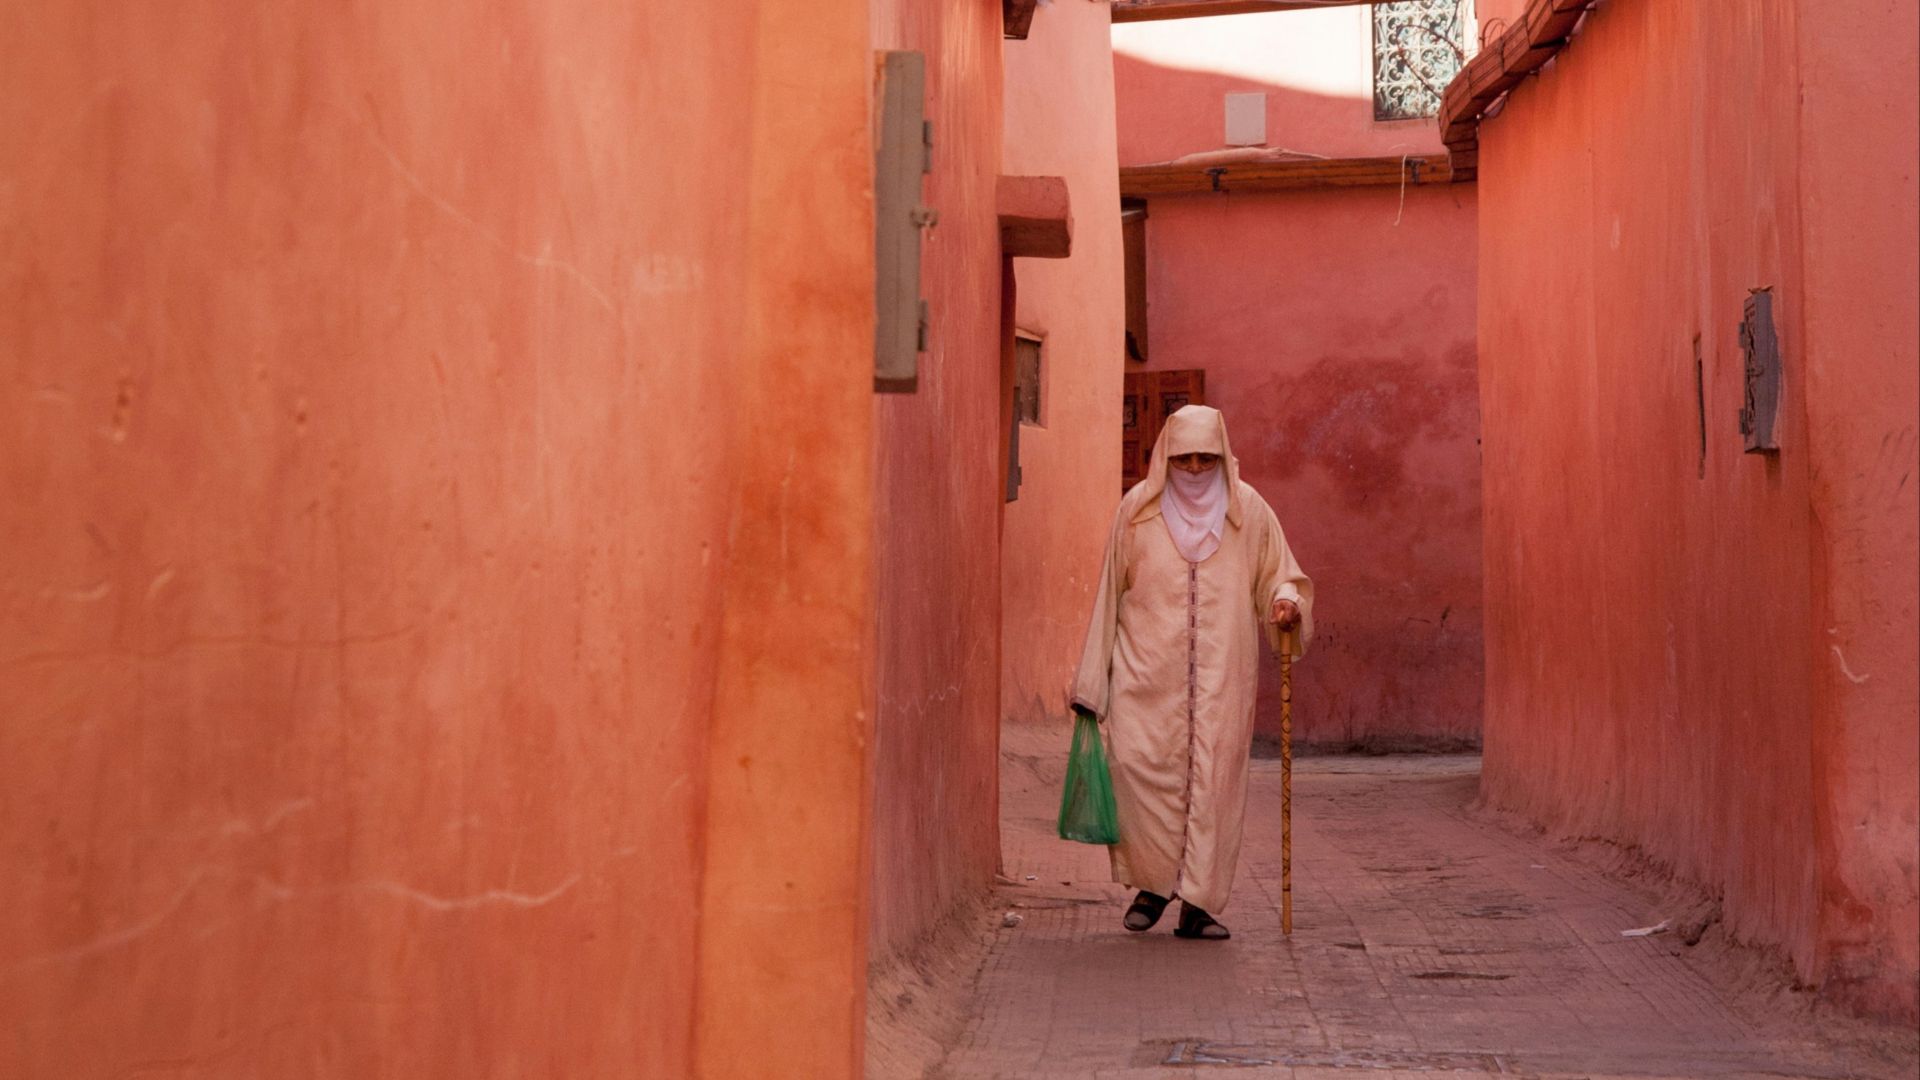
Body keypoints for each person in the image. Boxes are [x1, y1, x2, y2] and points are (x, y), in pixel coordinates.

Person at [1069, 404, 1312, 940]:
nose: (1197, 469)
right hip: (1144, 674)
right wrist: (1092, 682)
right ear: (1166, 458)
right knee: (1136, 768)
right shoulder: (1137, 510)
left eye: (1206, 458)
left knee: (1214, 783)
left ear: (1223, 456)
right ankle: (1153, 886)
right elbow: (1109, 594)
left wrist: (1286, 602)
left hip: (1223, 678)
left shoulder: (1248, 511)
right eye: (1185, 458)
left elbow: (1280, 575)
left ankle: (1198, 904)